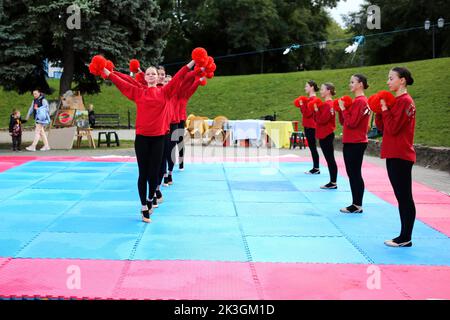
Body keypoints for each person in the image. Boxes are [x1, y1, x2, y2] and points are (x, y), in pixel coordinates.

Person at [102, 60, 195, 223]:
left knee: (154, 173)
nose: (151, 75)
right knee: (142, 173)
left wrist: (193, 62)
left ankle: (152, 197)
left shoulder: (165, 92)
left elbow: (179, 76)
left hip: (159, 138)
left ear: (158, 77)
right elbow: (122, 83)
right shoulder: (139, 92)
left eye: (154, 73)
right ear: (144, 77)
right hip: (142, 138)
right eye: (148, 73)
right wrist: (107, 72)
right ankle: (144, 205)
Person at [375, 67, 417, 248]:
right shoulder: (396, 101)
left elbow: (393, 128)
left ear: (402, 80)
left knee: (404, 197)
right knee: (401, 197)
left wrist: (384, 108)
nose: (388, 81)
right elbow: (383, 128)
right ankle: (404, 235)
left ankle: (405, 237)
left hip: (401, 154)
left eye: (391, 78)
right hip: (393, 152)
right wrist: (379, 109)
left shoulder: (405, 101)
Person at [337, 74, 371, 213]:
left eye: (352, 82)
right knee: (353, 173)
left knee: (355, 173)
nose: (350, 84)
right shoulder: (357, 101)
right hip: (353, 140)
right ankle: (356, 203)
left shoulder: (360, 101)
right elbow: (344, 122)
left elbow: (352, 123)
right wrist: (342, 110)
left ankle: (357, 204)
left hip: (355, 142)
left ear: (360, 84)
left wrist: (344, 109)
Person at [314, 83, 338, 189]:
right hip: (326, 133)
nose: (320, 91)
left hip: (326, 133)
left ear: (328, 91)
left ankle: (333, 182)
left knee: (330, 159)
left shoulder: (327, 104)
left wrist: (316, 111)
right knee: (330, 158)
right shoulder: (329, 104)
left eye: (322, 89)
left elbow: (321, 120)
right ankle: (332, 182)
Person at [297, 80, 320, 174]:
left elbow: (307, 113)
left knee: (313, 147)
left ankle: (316, 168)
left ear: (312, 87)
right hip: (308, 125)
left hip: (311, 126)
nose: (305, 88)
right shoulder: (309, 99)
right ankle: (316, 167)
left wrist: (301, 104)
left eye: (306, 86)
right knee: (311, 147)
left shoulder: (313, 99)